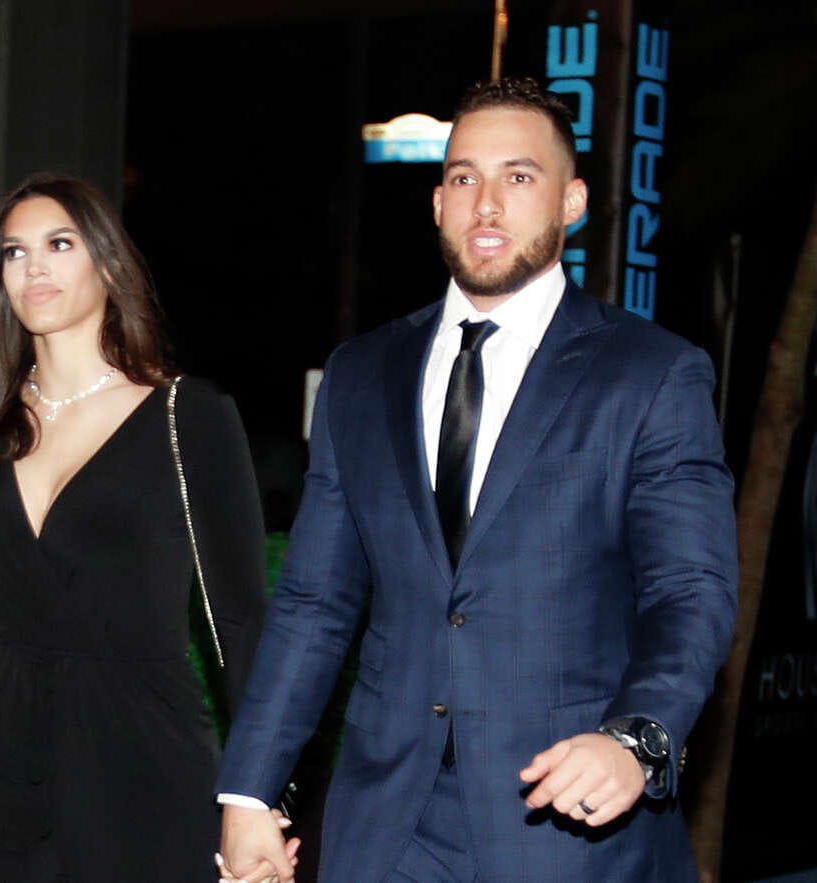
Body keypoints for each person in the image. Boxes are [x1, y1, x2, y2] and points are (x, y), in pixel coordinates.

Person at [214, 77, 739, 882]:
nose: (486, 203)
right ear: (435, 201)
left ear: (572, 201)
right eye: (464, 177)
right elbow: (315, 603)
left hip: (570, 827)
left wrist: (636, 737)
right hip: (386, 825)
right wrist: (249, 792)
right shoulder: (362, 375)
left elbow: (690, 590)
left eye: (518, 177)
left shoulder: (651, 373)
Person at [0, 173, 271, 880]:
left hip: (141, 756)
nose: (34, 267)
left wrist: (260, 794)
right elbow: (6, 605)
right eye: (14, 253)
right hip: (1, 765)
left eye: (59, 243)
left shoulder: (186, 417)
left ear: (108, 264)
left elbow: (239, 620)